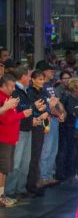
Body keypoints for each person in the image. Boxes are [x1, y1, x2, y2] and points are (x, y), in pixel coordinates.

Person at [0, 74, 33, 207]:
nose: (14, 89)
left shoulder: (8, 98)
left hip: (10, 138)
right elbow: (5, 120)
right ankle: (2, 196)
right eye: (11, 86)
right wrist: (22, 114)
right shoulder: (2, 98)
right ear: (3, 85)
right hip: (4, 139)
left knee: (5, 169)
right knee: (2, 169)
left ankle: (2, 195)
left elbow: (11, 118)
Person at [25, 70, 53, 197]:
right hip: (34, 125)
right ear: (33, 80)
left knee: (38, 154)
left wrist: (47, 112)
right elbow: (30, 108)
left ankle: (34, 183)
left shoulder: (43, 91)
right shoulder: (30, 92)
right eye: (39, 79)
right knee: (33, 155)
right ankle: (30, 184)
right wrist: (40, 114)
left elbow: (47, 105)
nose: (42, 81)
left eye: (43, 79)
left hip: (42, 125)